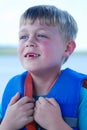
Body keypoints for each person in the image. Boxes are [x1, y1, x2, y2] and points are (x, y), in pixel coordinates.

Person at [0, 5, 87, 130]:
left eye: (41, 35)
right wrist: (7, 125)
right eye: (23, 36)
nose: (29, 42)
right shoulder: (13, 93)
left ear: (67, 48)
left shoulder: (82, 95)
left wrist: (56, 125)